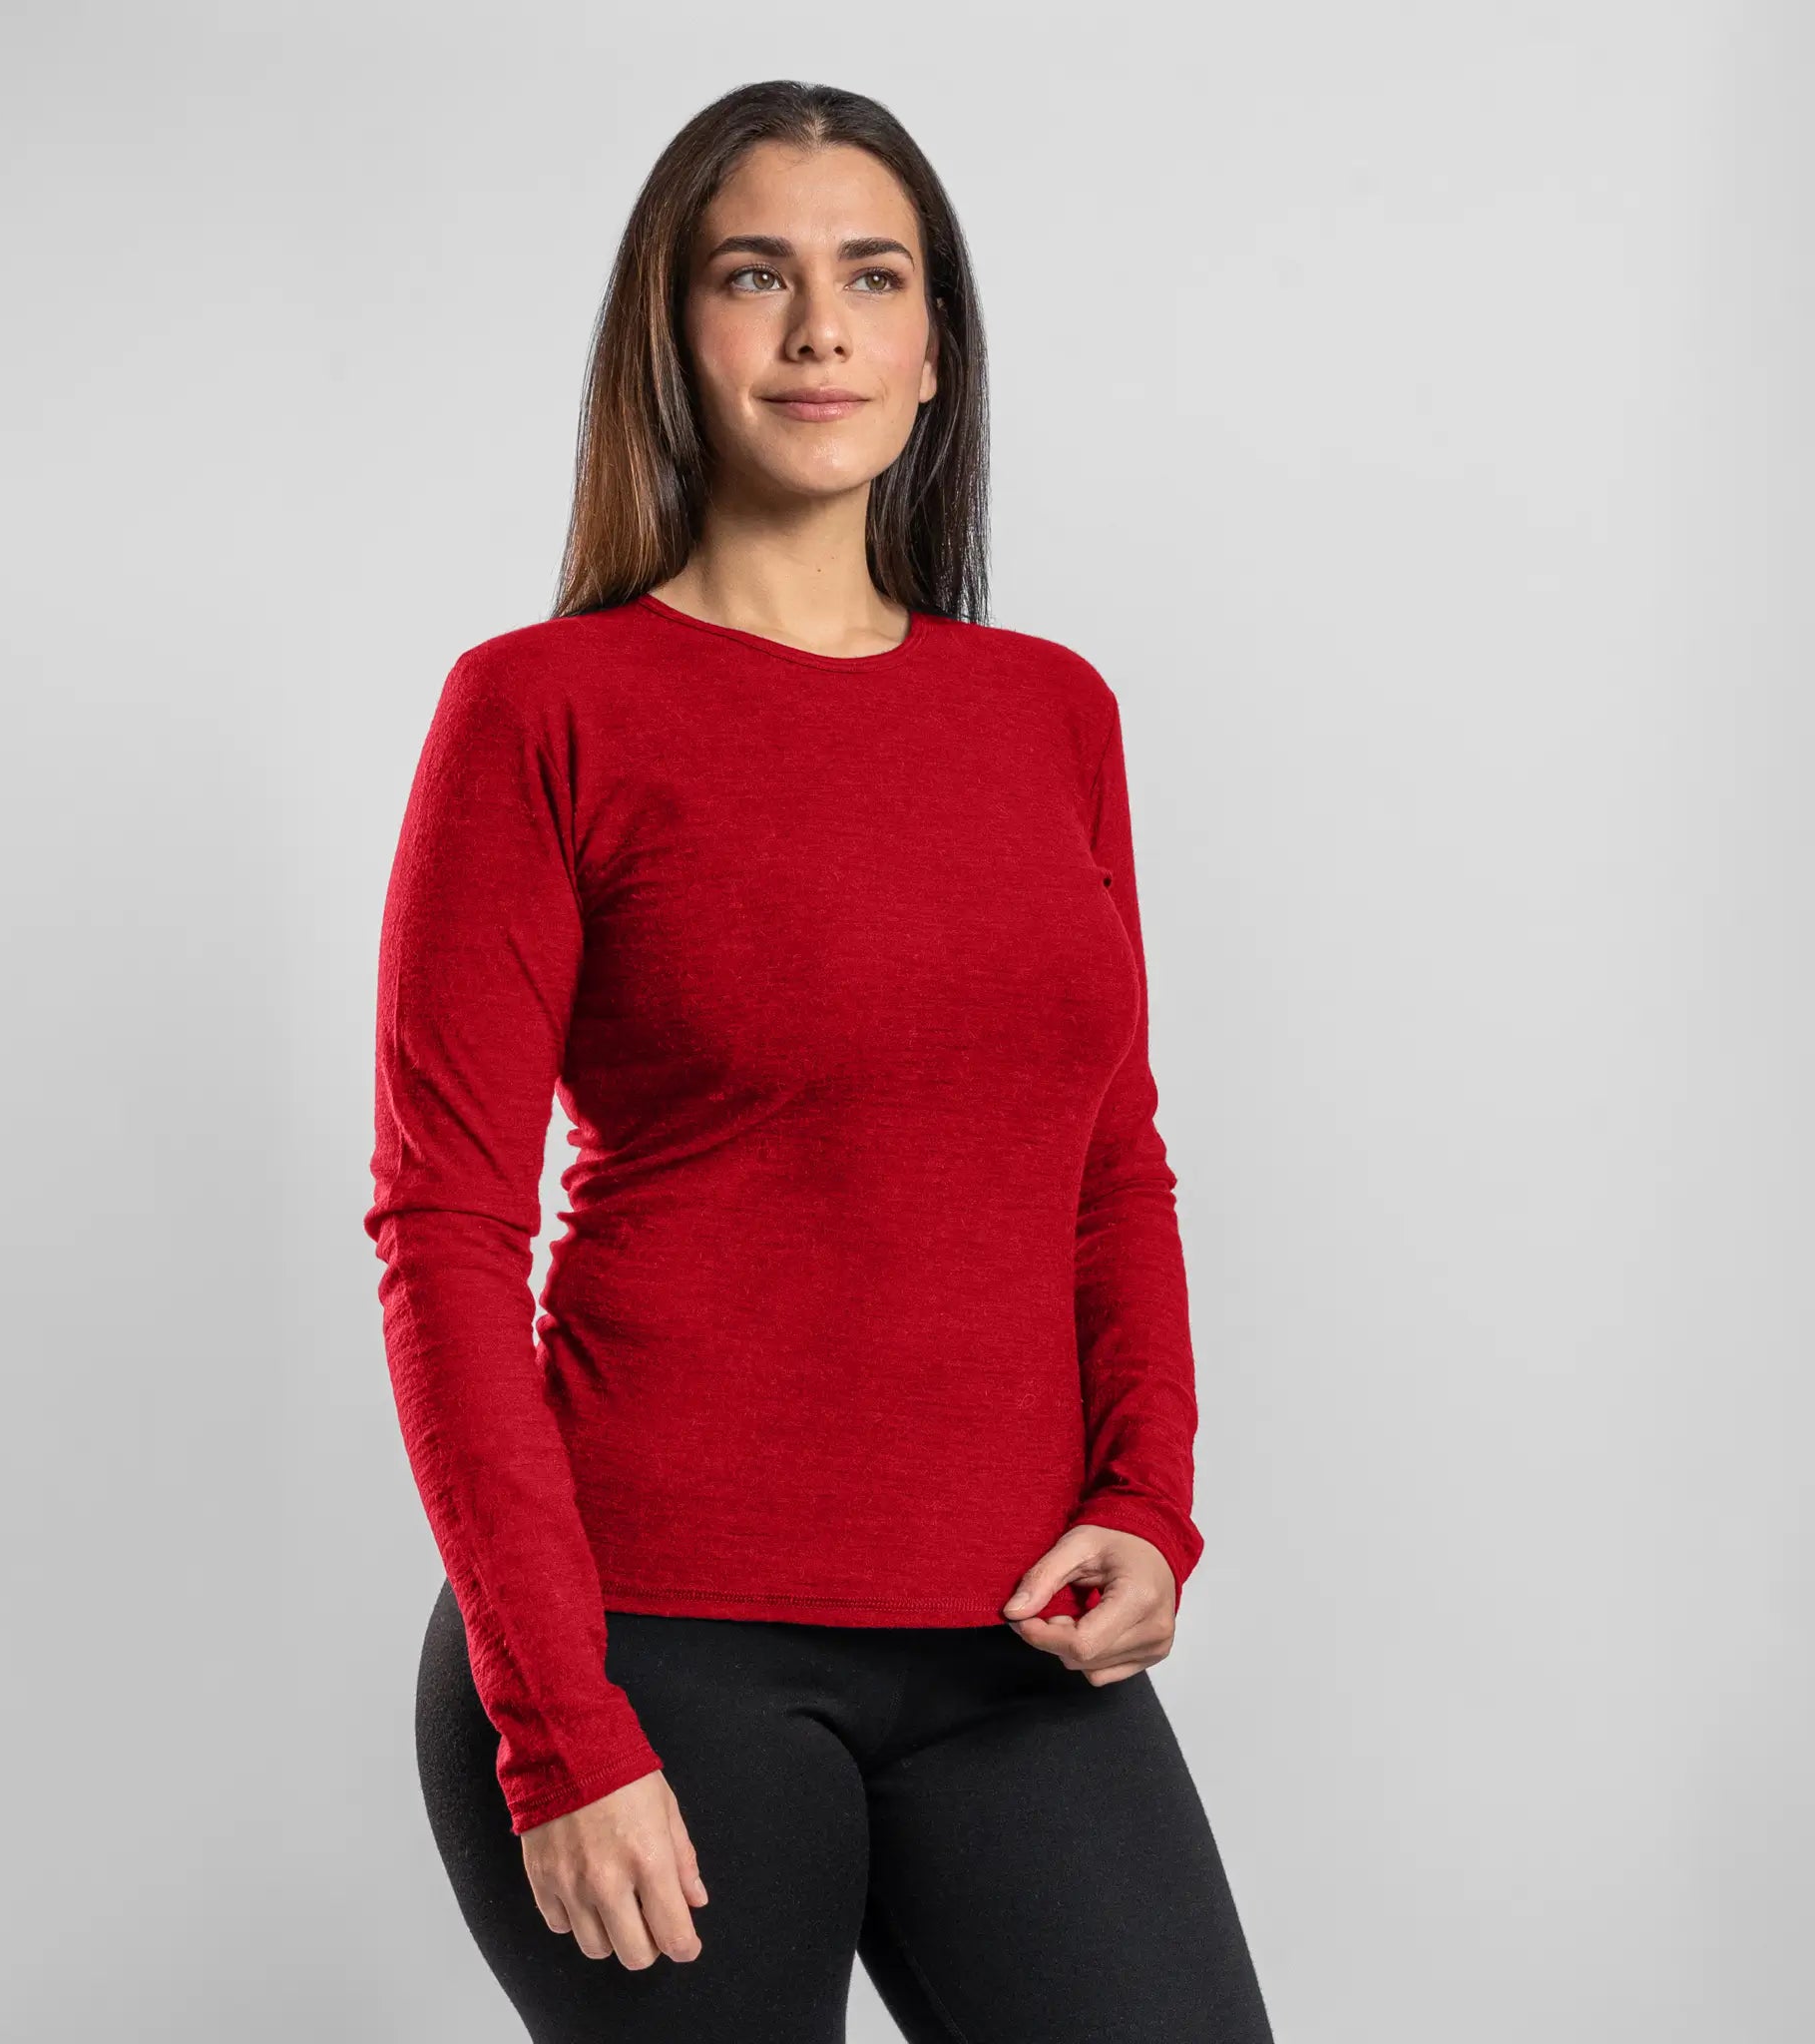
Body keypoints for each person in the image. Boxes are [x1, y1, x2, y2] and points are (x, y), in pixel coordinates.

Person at [364, 77, 1275, 2044]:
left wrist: (1148, 1495)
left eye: (872, 276)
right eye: (752, 276)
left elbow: (1107, 1153)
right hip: (654, 1645)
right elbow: (445, 1230)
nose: (816, 329)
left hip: (1016, 1642)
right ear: (672, 337)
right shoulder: (542, 710)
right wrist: (558, 1721)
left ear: (936, 347)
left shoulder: (1047, 713)